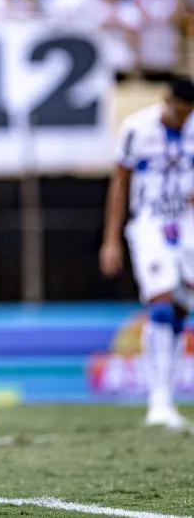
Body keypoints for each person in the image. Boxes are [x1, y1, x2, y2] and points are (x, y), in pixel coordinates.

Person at [100, 77, 194, 430]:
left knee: (181, 311)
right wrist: (111, 239)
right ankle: (158, 400)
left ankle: (167, 398)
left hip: (187, 227)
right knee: (161, 303)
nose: (182, 119)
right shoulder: (136, 128)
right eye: (178, 111)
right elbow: (119, 183)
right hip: (150, 225)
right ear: (166, 100)